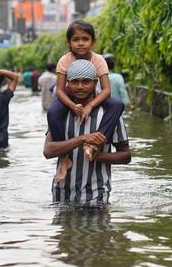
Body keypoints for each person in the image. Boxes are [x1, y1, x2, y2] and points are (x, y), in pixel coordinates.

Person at [43, 59, 131, 206]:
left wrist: (99, 156)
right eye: (75, 82)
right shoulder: (61, 114)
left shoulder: (110, 115)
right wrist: (83, 139)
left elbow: (126, 156)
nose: (80, 87)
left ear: (96, 82)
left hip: (97, 194)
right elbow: (48, 151)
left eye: (86, 82)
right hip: (61, 193)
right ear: (68, 84)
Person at [47, 19, 124, 179]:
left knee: (117, 105)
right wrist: (72, 105)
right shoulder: (65, 60)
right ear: (69, 42)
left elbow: (106, 90)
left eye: (85, 39)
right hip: (68, 94)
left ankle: (95, 143)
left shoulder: (98, 60)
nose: (80, 43)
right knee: (53, 111)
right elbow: (60, 89)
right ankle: (64, 158)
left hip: (94, 94)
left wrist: (90, 106)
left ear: (93, 41)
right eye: (76, 39)